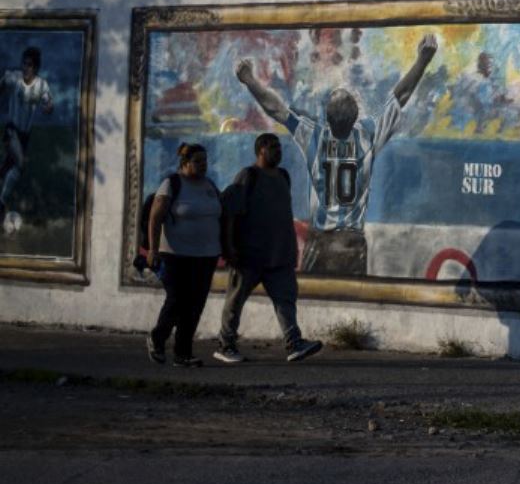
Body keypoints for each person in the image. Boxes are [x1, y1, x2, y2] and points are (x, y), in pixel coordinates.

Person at [234, 33, 437, 275]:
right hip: (352, 240)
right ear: (355, 119)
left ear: (327, 118)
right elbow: (399, 96)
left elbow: (275, 108)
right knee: (353, 302)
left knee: (312, 299)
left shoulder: (314, 136)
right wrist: (422, 61)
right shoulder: (367, 135)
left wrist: (250, 81)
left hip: (321, 238)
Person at [213, 132, 322, 364]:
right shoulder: (248, 176)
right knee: (235, 301)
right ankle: (226, 345)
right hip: (249, 255)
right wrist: (230, 247)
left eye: (279, 147)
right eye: (273, 147)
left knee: (286, 300)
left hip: (279, 254)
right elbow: (231, 214)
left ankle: (294, 344)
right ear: (260, 150)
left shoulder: (283, 176)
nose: (278, 151)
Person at [145, 143, 222, 368]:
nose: (203, 166)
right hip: (175, 255)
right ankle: (158, 337)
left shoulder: (209, 185)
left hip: (206, 255)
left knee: (195, 304)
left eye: (205, 161)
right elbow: (155, 217)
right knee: (177, 300)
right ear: (185, 163)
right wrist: (152, 250)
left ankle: (183, 353)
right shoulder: (171, 184)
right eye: (197, 161)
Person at [0, 45, 54, 222]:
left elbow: (48, 103)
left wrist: (48, 107)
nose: (25, 68)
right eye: (24, 63)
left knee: (9, 168)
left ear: (36, 68)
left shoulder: (41, 85)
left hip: (25, 135)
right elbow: (3, 83)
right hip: (11, 130)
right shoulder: (14, 78)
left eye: (29, 65)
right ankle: (1, 202)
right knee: (21, 164)